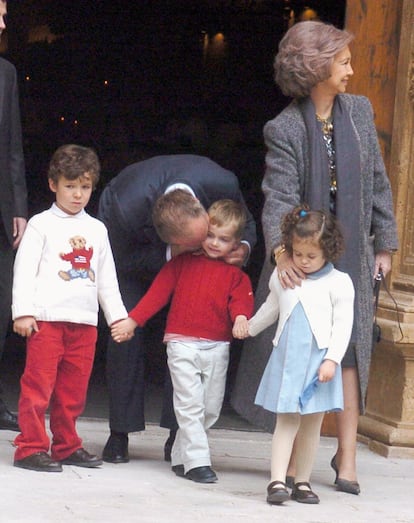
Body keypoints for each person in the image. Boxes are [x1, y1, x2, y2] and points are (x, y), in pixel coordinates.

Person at [231, 21, 398, 495]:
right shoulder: (283, 126)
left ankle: (347, 460)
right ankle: (288, 462)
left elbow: (378, 184)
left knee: (347, 351)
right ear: (316, 66)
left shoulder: (360, 112)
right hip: (306, 256)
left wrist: (383, 244)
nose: (351, 69)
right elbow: (278, 195)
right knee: (306, 355)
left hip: (353, 256)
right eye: (343, 61)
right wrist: (284, 253)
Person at [97, 154, 256, 464]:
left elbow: (246, 222)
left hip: (183, 263)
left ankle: (178, 435)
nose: (204, 247)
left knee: (188, 336)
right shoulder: (124, 207)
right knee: (123, 334)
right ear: (170, 239)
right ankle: (120, 432)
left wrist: (242, 247)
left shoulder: (221, 182)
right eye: (195, 244)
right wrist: (173, 257)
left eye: (206, 235)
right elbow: (117, 260)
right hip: (130, 257)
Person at [12, 144, 128, 472]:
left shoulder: (97, 229)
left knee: (73, 391)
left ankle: (66, 444)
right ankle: (30, 447)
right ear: (53, 184)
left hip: (84, 322)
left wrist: (117, 316)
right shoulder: (40, 224)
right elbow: (24, 270)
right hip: (46, 320)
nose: (78, 194)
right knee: (38, 386)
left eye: (85, 187)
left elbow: (106, 277)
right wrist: (23, 311)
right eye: (70, 186)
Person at [235, 206, 354, 504]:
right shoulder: (284, 276)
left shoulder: (339, 283)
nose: (303, 261)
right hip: (288, 361)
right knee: (286, 422)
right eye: (298, 254)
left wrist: (332, 360)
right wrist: (249, 327)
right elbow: (271, 308)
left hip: (318, 365)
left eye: (311, 256)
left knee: (312, 424)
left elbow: (343, 327)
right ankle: (277, 480)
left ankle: (302, 481)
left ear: (329, 250)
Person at [0, 0, 28, 432]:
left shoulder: (5, 73)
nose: (4, 21)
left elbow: (13, 146)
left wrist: (20, 208)